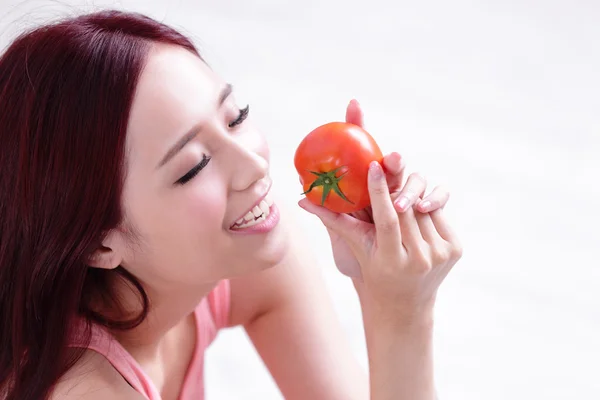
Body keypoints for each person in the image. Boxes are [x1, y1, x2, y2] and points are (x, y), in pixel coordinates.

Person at [0, 9, 462, 400]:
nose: (254, 167)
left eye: (235, 117)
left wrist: (386, 291)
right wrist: (402, 316)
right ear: (98, 244)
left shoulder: (242, 253)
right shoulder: (83, 389)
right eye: (195, 166)